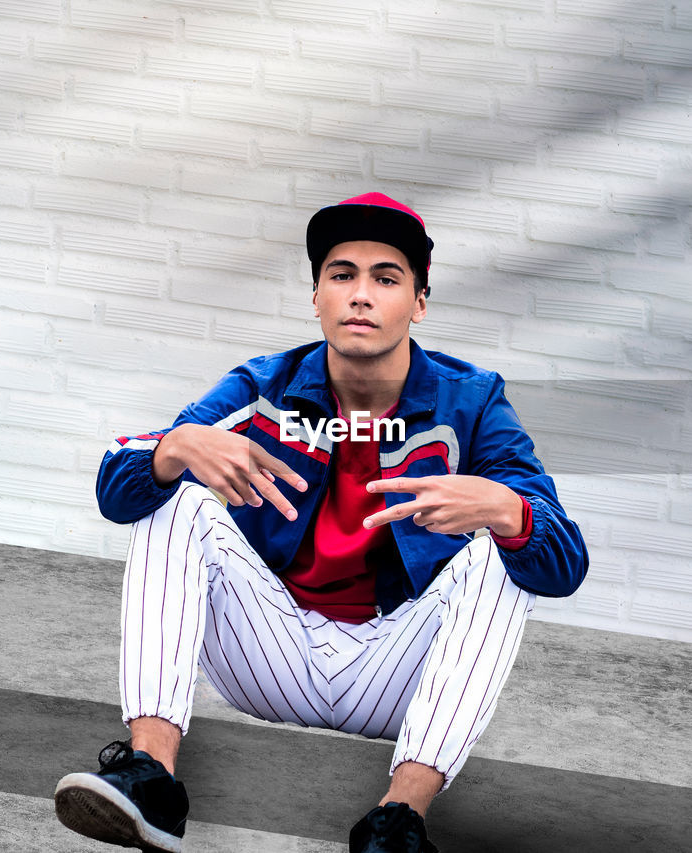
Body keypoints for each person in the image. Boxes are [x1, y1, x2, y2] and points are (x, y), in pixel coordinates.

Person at [53, 192, 589, 853]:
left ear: (419, 302)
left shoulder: (472, 400)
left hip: (396, 672)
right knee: (180, 499)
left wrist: (509, 512)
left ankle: (398, 821)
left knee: (501, 550)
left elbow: (565, 562)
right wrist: (172, 450)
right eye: (342, 274)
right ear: (317, 296)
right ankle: (151, 777)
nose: (360, 295)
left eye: (386, 278)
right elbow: (116, 485)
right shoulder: (263, 385)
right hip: (269, 650)